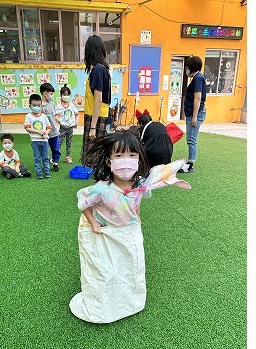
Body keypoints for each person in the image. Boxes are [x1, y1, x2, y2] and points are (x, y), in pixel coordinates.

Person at [69, 131, 192, 324]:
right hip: (107, 233)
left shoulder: (141, 184)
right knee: (107, 271)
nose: (125, 161)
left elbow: (137, 203)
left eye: (132, 155)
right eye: (119, 155)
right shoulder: (101, 188)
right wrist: (93, 223)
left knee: (131, 268)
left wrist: (138, 220)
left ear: (138, 159)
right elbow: (83, 203)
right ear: (109, 161)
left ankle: (128, 303)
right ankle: (104, 306)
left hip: (129, 232)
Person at [81, 35, 112, 167]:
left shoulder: (98, 70)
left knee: (94, 156)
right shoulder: (101, 69)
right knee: (96, 155)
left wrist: (93, 127)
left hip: (96, 117)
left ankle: (99, 177)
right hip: (97, 115)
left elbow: (98, 100)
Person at [182, 55, 207, 173]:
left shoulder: (198, 78)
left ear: (192, 67)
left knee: (192, 140)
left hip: (195, 114)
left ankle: (190, 165)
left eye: (187, 67)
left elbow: (197, 97)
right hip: (193, 113)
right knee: (190, 139)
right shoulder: (198, 77)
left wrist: (194, 116)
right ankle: (190, 162)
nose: (186, 69)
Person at [24, 93, 52, 179]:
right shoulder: (28, 116)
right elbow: (27, 128)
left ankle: (46, 171)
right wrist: (38, 132)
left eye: (38, 105)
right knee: (37, 157)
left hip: (44, 140)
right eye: (34, 105)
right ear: (30, 106)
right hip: (35, 140)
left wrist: (46, 133)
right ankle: (39, 172)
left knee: (46, 157)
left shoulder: (44, 116)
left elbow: (49, 127)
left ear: (41, 105)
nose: (37, 107)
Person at [40, 82, 61, 172]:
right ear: (45, 94)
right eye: (51, 94)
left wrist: (59, 121)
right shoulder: (39, 106)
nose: (52, 96)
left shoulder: (52, 104)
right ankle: (46, 164)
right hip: (44, 133)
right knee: (44, 150)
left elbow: (54, 116)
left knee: (56, 149)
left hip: (54, 132)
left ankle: (55, 162)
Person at [56, 84, 79, 164]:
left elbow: (77, 114)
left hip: (70, 128)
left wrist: (76, 122)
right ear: (61, 95)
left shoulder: (72, 105)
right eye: (64, 95)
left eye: (67, 95)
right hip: (63, 127)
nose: (66, 96)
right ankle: (55, 157)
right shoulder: (58, 106)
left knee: (69, 143)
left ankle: (68, 157)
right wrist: (59, 121)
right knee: (59, 142)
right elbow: (54, 115)